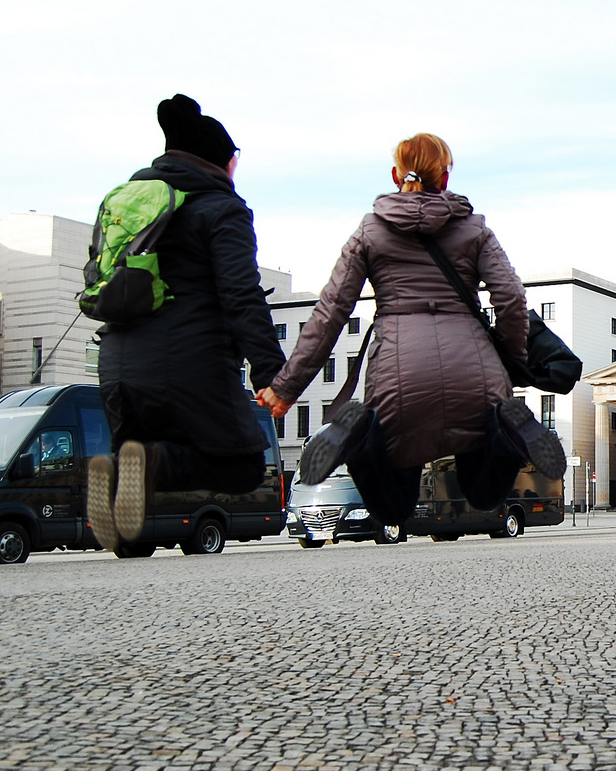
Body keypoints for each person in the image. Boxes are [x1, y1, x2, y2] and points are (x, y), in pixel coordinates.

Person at [258, 133, 563, 523]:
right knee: (484, 494)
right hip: (476, 377)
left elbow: (331, 311)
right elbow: (511, 298)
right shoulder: (475, 230)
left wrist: (286, 389)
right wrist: (513, 359)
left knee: (393, 508)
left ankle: (362, 434)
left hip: (397, 377)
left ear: (395, 174)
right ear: (446, 178)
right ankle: (506, 427)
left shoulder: (369, 233)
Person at [87, 94, 286, 552]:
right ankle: (150, 463)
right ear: (221, 160)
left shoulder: (130, 203)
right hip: (188, 362)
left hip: (117, 365)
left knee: (134, 458)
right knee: (242, 466)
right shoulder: (221, 208)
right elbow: (242, 295)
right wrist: (272, 374)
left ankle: (122, 525)